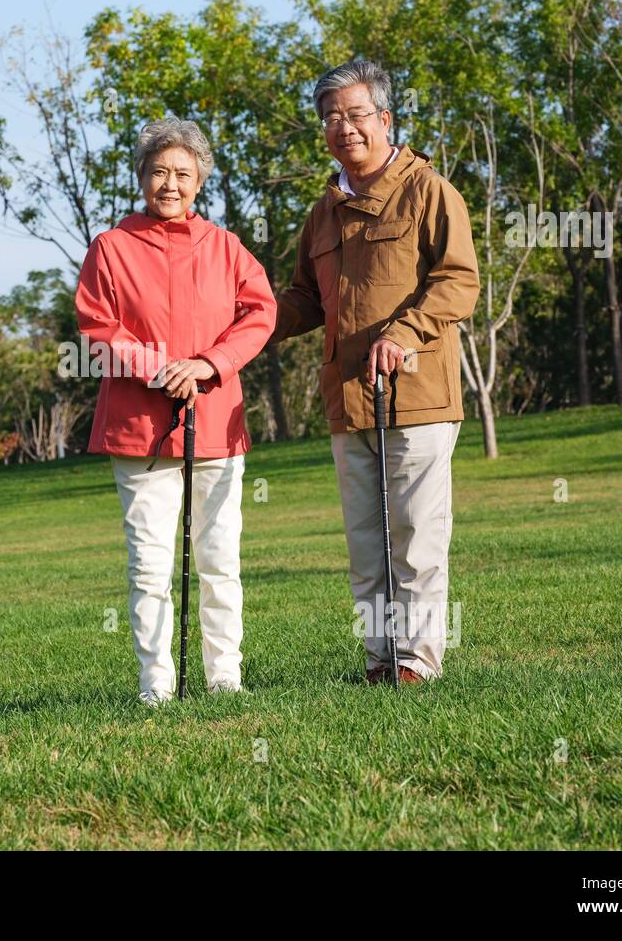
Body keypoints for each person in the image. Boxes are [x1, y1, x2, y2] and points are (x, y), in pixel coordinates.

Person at [268, 59, 480, 684]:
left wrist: (403, 331)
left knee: (414, 538)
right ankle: (379, 660)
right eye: (331, 117)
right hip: (347, 400)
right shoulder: (323, 212)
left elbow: (459, 281)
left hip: (415, 396)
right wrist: (246, 321)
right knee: (367, 546)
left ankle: (416, 662)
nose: (344, 127)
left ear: (385, 119)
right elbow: (304, 299)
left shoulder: (429, 191)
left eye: (356, 114)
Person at [75, 117, 276, 705]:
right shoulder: (111, 248)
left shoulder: (227, 247)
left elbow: (259, 315)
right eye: (159, 171)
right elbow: (96, 327)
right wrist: (158, 366)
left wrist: (210, 364)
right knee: (150, 564)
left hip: (215, 424)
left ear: (200, 181)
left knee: (218, 560)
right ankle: (156, 686)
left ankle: (225, 680)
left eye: (183, 174)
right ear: (141, 177)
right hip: (140, 427)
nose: (170, 184)